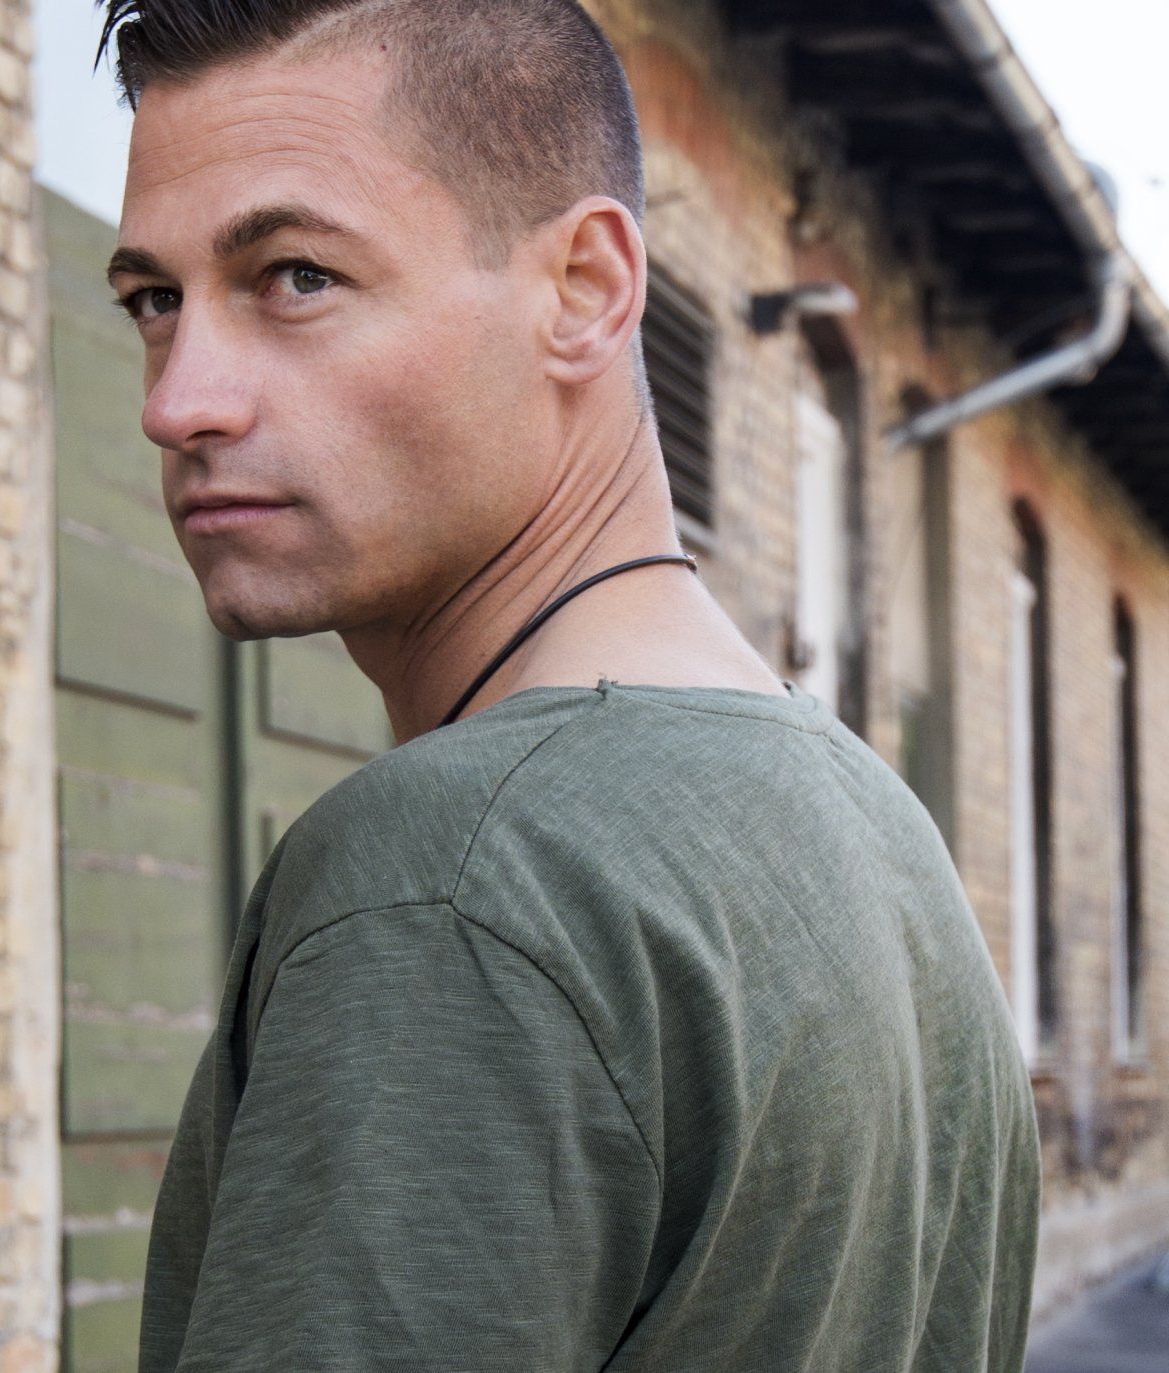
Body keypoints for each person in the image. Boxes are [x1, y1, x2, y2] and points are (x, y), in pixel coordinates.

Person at [93, 0, 1043, 1368]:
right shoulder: (883, 837)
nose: (178, 401)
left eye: (295, 277)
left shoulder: (454, 880)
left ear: (586, 289)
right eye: (154, 301)